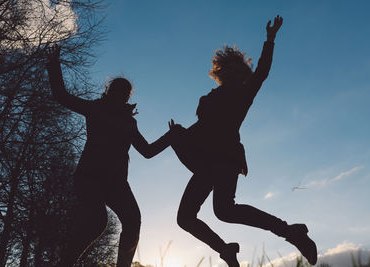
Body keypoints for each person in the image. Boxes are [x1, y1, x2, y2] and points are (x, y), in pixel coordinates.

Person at [170, 16, 317, 267]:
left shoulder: (242, 94)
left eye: (241, 72)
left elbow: (262, 72)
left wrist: (270, 40)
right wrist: (180, 134)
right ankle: (228, 249)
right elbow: (202, 129)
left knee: (222, 211)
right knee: (192, 217)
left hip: (225, 159)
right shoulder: (210, 98)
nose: (238, 74)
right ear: (223, 70)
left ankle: (290, 233)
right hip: (208, 161)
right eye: (232, 70)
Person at [46, 46, 175, 267]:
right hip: (90, 177)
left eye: (125, 93)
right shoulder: (95, 109)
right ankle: (66, 262)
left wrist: (170, 137)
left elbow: (147, 151)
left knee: (133, 220)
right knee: (97, 223)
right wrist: (54, 65)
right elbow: (61, 96)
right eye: (117, 91)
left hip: (116, 182)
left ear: (127, 97)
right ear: (109, 91)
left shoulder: (129, 122)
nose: (121, 96)